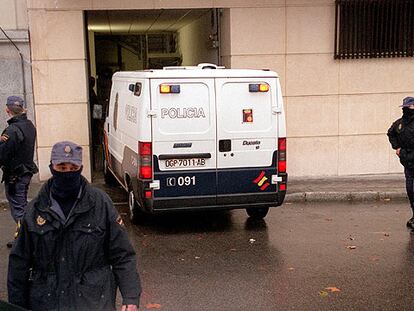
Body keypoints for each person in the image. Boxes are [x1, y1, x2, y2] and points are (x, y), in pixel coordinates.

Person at [8, 141, 141, 311]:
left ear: (80, 168)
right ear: (51, 167)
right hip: (47, 302)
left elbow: (122, 254)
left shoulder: (101, 204)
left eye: (72, 167)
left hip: (93, 301)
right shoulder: (34, 210)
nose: (67, 172)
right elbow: (18, 264)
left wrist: (131, 297)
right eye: (62, 167)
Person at [0, 96, 37, 248]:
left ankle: (27, 241)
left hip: (15, 174)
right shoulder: (29, 125)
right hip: (25, 171)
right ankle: (22, 237)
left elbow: (3, 154)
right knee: (21, 204)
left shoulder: (12, 130)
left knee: (18, 208)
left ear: (7, 110)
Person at [388, 96, 414, 229]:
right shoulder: (399, 123)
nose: (406, 108)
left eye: (409, 106)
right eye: (405, 106)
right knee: (410, 189)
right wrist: (397, 147)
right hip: (407, 160)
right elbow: (390, 133)